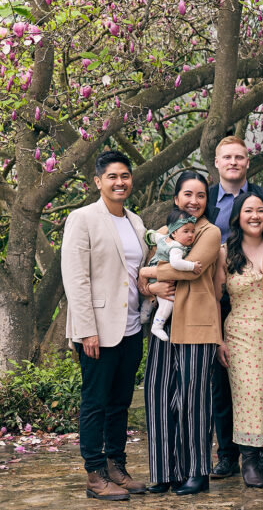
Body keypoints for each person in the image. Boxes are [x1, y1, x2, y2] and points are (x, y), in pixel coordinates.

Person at [61, 150, 148, 501]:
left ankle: (116, 466)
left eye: (125, 176)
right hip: (97, 329)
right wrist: (86, 330)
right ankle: (95, 475)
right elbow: (76, 278)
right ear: (98, 182)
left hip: (131, 326)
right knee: (95, 402)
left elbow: (136, 273)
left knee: (120, 403)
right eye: (112, 176)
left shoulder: (136, 221)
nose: (119, 182)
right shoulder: (82, 218)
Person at [206, 136, 263, 480]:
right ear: (217, 161)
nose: (233, 162)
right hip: (230, 314)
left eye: (239, 157)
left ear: (248, 162)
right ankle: (233, 455)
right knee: (231, 391)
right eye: (227, 157)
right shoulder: (205, 199)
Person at [139, 171, 222, 496]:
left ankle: (197, 472)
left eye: (201, 195)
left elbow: (189, 270)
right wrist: (150, 285)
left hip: (197, 325)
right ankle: (164, 472)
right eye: (188, 194)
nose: (194, 201)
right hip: (164, 323)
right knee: (158, 394)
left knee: (193, 400)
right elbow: (144, 282)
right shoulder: (164, 231)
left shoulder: (209, 232)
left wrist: (148, 271)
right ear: (176, 199)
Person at [213, 193, 263, 488]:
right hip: (240, 334)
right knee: (248, 395)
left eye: (260, 210)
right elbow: (214, 299)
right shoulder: (226, 252)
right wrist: (219, 341)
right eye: (248, 211)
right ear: (238, 216)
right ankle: (249, 457)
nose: (255, 216)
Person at [140, 210, 202, 341]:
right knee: (168, 301)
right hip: (160, 276)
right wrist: (192, 266)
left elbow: (153, 236)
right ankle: (157, 326)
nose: (190, 235)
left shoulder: (163, 238)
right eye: (186, 231)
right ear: (174, 233)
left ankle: (144, 316)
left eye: (193, 231)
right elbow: (176, 264)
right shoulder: (176, 248)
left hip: (152, 272)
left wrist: (148, 235)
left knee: (151, 298)